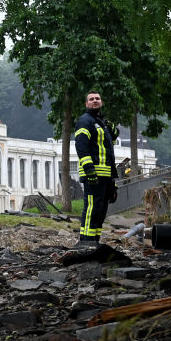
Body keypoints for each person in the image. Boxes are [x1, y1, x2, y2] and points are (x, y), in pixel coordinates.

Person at [72, 91, 118, 249]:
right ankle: (86, 242)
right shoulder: (85, 121)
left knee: (100, 210)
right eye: (91, 99)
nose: (95, 101)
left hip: (106, 175)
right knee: (92, 209)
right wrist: (89, 170)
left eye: (97, 98)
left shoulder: (101, 122)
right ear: (86, 104)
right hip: (94, 175)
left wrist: (113, 180)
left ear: (101, 102)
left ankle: (95, 241)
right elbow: (81, 146)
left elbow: (108, 148)